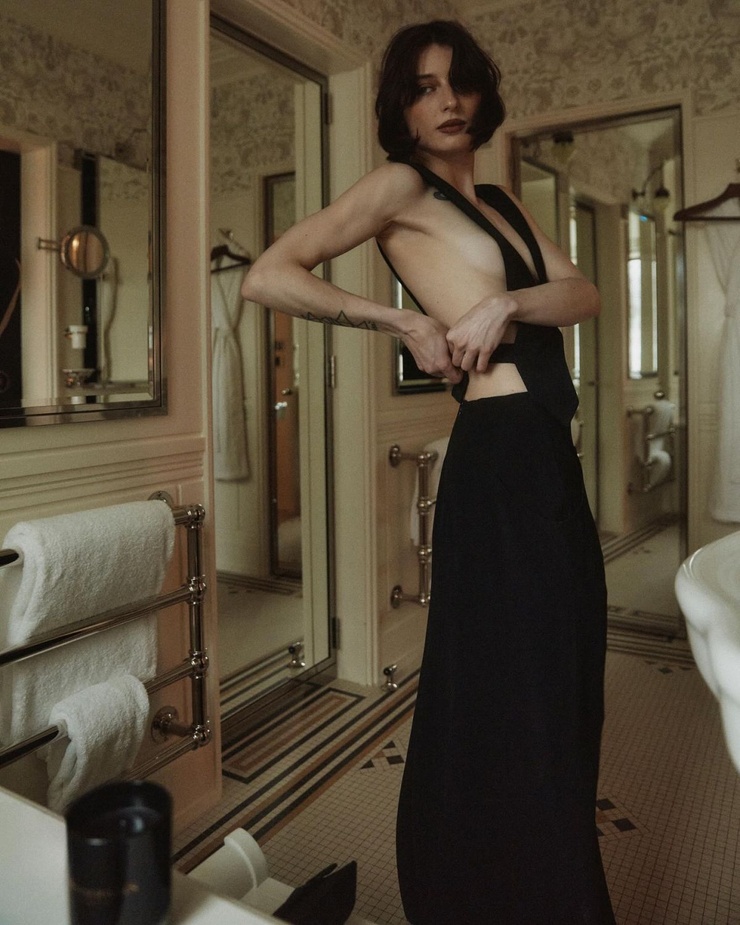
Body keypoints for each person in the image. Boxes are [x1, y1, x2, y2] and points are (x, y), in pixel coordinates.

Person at [242, 20, 616, 925]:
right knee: (511, 685)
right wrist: (399, 320)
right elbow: (267, 274)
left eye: (459, 82)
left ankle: (544, 879)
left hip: (545, 452)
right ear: (401, 109)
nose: (446, 101)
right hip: (497, 459)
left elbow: (585, 293)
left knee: (565, 670)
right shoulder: (400, 186)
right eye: (423, 87)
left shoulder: (505, 200)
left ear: (483, 93)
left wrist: (506, 302)